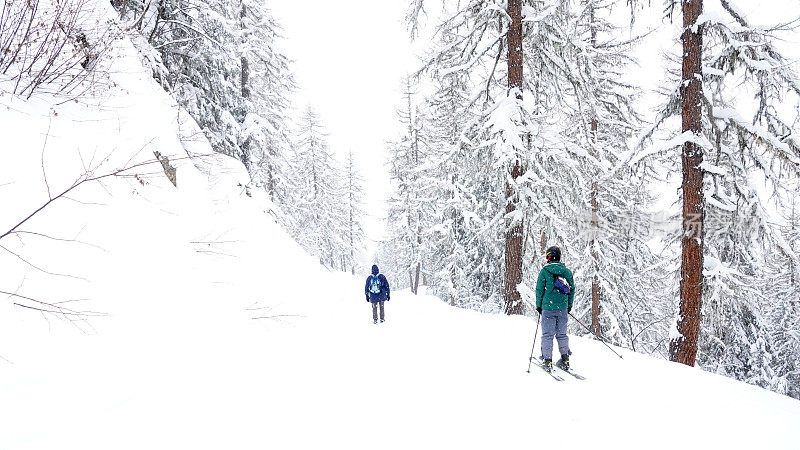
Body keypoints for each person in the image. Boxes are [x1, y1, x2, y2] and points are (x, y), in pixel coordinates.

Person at [535, 246, 575, 373]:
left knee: (547, 335)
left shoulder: (545, 272)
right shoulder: (567, 272)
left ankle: (547, 360)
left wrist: (538, 306)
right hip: (562, 308)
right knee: (562, 334)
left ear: (549, 257)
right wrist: (569, 305)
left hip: (548, 307)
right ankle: (565, 359)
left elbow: (539, 290)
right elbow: (571, 290)